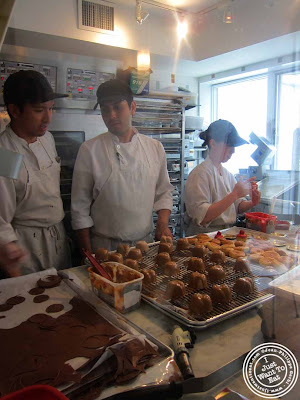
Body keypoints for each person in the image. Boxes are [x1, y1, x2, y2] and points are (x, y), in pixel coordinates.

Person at [71, 79, 173, 252]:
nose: (111, 115)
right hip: (105, 247)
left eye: (117, 107)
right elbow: (79, 208)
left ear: (132, 107)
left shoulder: (154, 148)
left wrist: (162, 224)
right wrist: (88, 254)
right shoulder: (89, 150)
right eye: (105, 110)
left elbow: (163, 192)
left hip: (145, 244)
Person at [0, 70, 71, 275]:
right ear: (15, 110)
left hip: (57, 236)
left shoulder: (46, 138)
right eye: (39, 110)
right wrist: (8, 250)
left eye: (51, 109)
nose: (48, 118)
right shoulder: (6, 153)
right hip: (26, 246)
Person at [184, 119, 261, 235]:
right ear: (213, 143)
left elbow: (237, 206)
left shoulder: (227, 174)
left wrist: (251, 203)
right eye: (229, 145)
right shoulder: (199, 174)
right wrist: (234, 194)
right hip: (204, 236)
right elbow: (203, 217)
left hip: (226, 233)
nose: (233, 151)